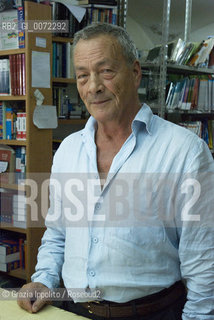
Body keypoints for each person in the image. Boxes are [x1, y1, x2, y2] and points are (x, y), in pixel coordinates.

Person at [17, 22, 214, 320]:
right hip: (73, 310)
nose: (93, 86)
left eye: (106, 71)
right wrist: (45, 278)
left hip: (152, 313)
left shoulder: (184, 151)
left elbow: (202, 259)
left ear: (135, 72)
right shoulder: (69, 150)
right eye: (82, 75)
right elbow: (58, 232)